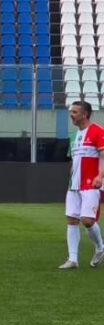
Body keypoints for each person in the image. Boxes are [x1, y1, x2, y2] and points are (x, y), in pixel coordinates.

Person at [60, 101, 104, 270]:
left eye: (75, 112)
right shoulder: (73, 136)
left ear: (84, 115)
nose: (71, 114)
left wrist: (100, 176)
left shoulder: (97, 131)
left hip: (90, 184)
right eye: (71, 111)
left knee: (87, 220)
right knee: (72, 220)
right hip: (74, 185)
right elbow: (74, 162)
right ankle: (73, 259)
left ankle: (100, 248)